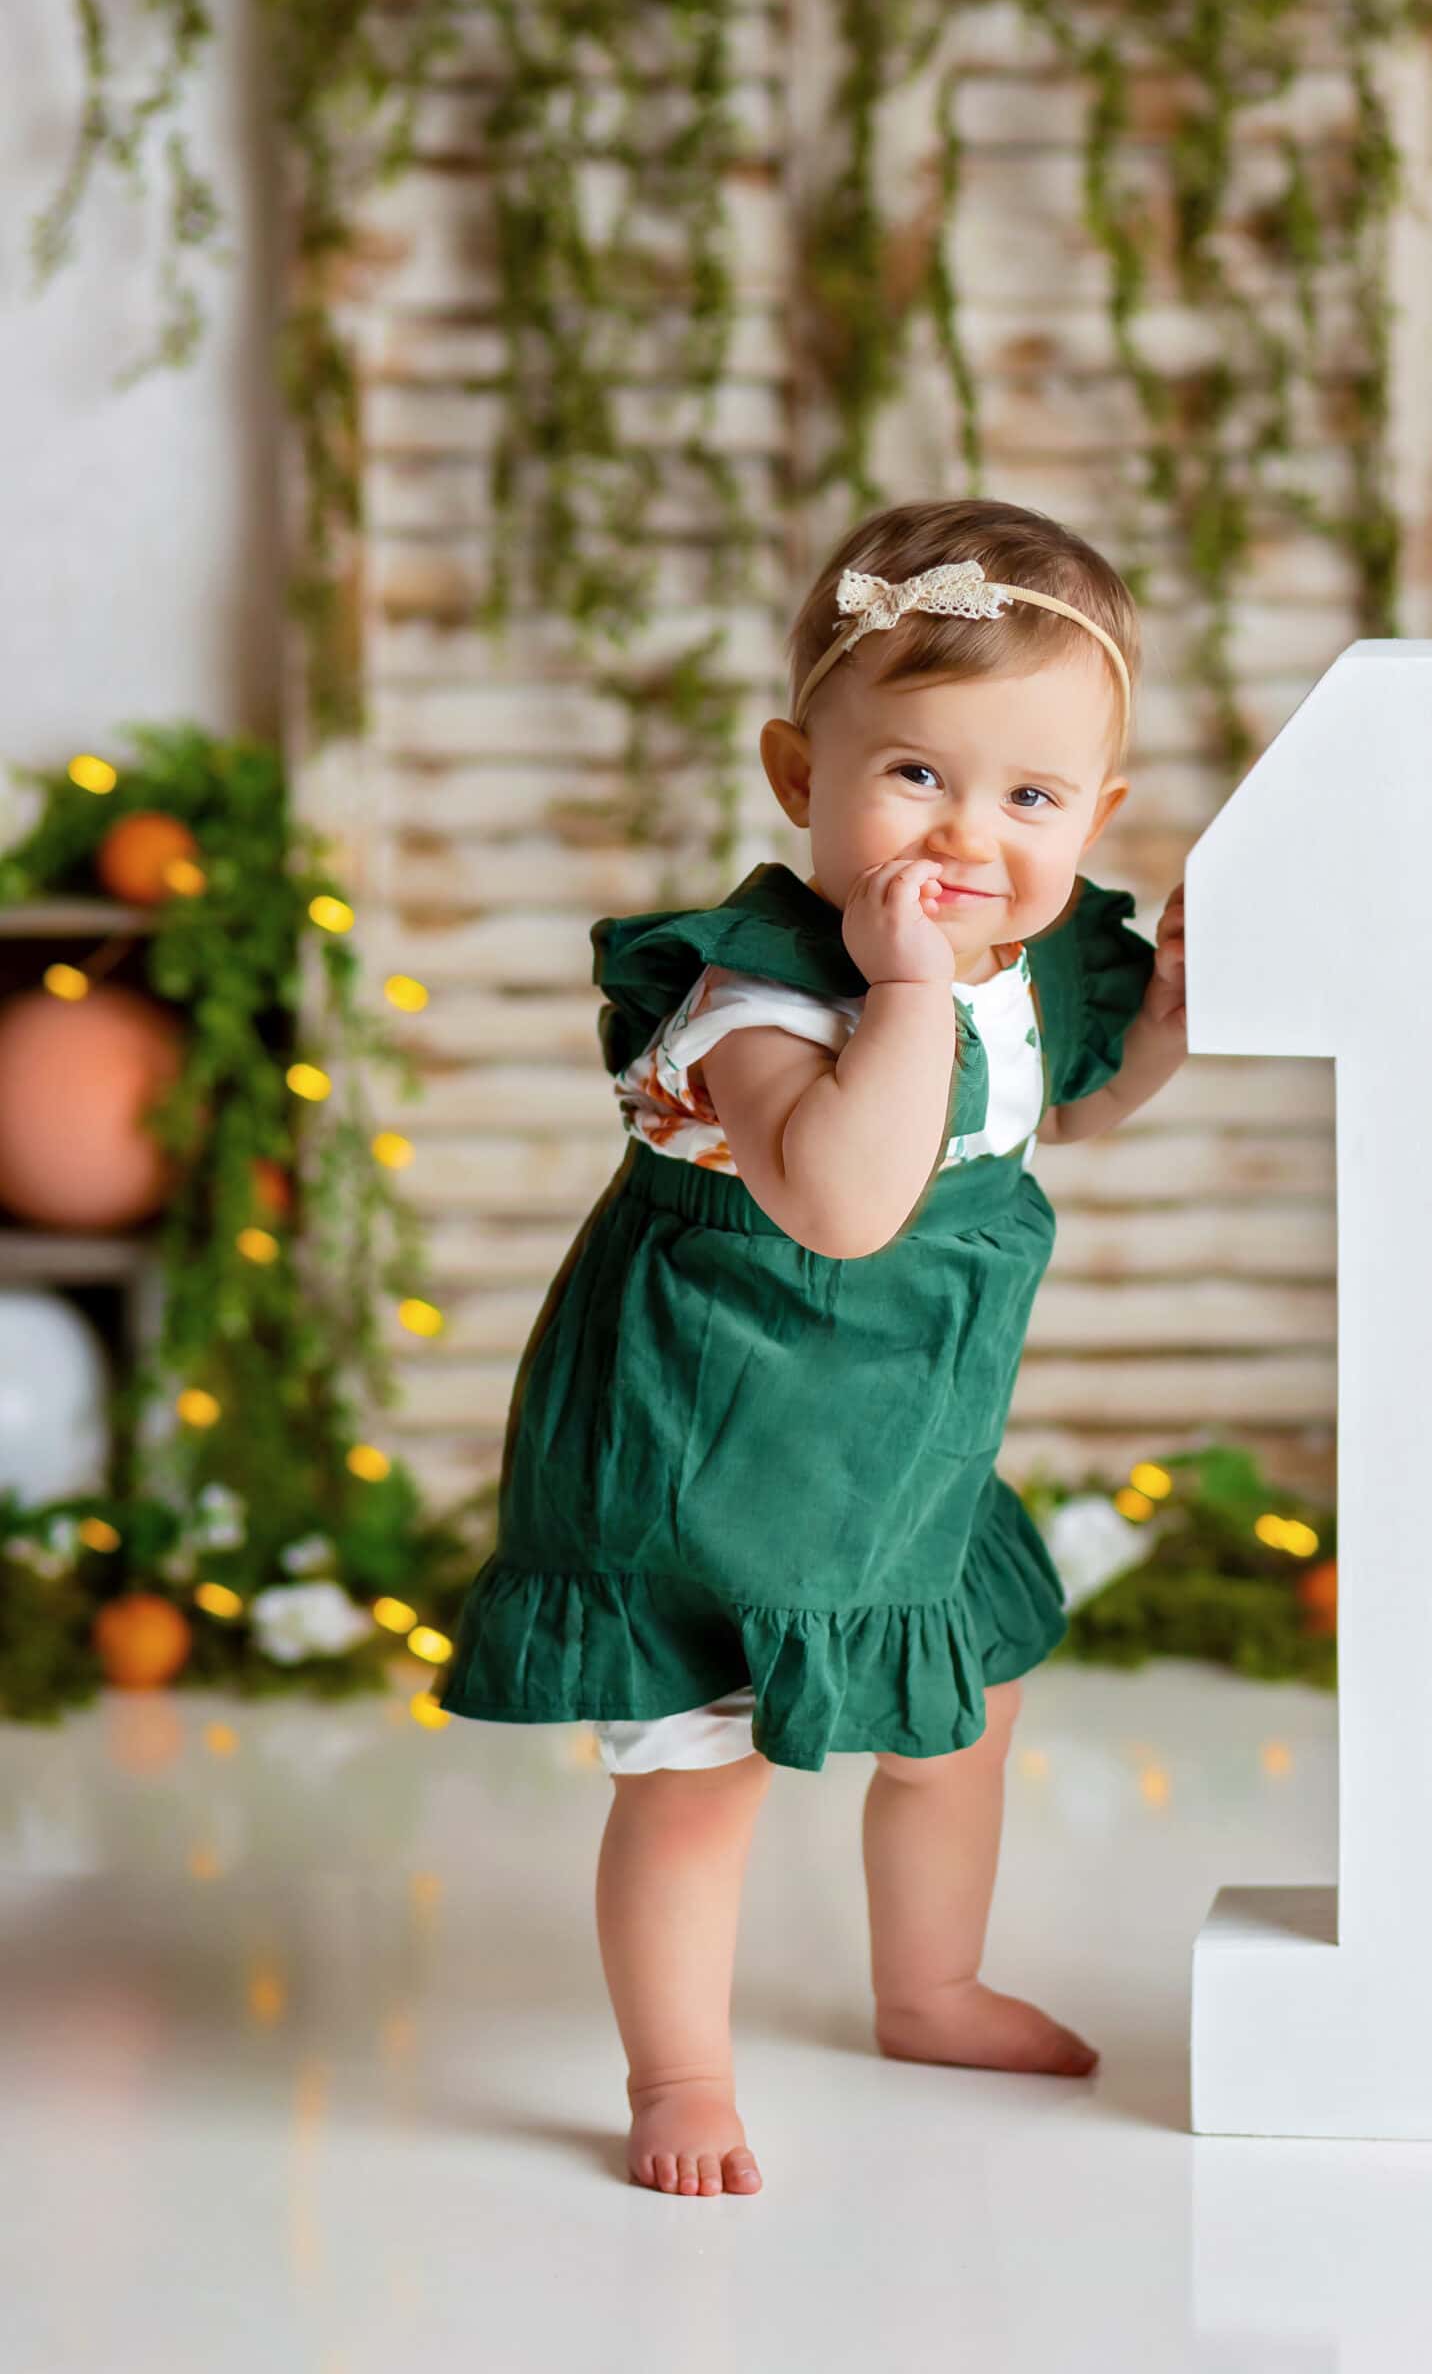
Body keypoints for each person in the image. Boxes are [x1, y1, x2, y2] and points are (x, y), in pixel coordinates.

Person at [433, 496, 1189, 2199]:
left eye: (1031, 796)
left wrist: (1158, 1037)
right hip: (716, 1438)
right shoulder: (754, 996)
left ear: (1100, 814)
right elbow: (846, 1200)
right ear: (799, 774)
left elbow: (1060, 1115)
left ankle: (928, 1987)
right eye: (914, 774)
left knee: (961, 1717)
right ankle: (679, 2071)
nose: (968, 838)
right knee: (703, 1776)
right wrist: (905, 993)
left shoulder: (1025, 960)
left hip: (896, 1443)